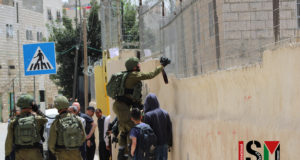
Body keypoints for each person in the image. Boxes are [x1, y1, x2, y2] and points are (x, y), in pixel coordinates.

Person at [112, 57, 170, 159]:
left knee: (125, 128)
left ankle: (123, 153)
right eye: (137, 64)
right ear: (133, 66)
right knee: (133, 128)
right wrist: (162, 66)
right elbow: (149, 75)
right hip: (123, 107)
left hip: (121, 105)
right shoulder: (133, 75)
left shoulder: (125, 76)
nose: (139, 66)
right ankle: (131, 154)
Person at [5, 94, 47, 160]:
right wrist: (37, 110)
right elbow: (45, 119)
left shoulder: (13, 122)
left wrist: (7, 155)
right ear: (31, 106)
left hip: (20, 153)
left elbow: (9, 141)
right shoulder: (38, 120)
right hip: (35, 153)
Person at [48, 95, 86, 160]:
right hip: (76, 154)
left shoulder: (56, 123)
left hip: (62, 154)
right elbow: (84, 137)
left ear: (57, 107)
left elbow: (51, 144)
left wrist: (55, 153)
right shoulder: (77, 119)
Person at [143, 93, 173, 160]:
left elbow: (146, 132)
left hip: (153, 146)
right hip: (164, 144)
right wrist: (169, 143)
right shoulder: (165, 113)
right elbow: (169, 128)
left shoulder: (148, 115)